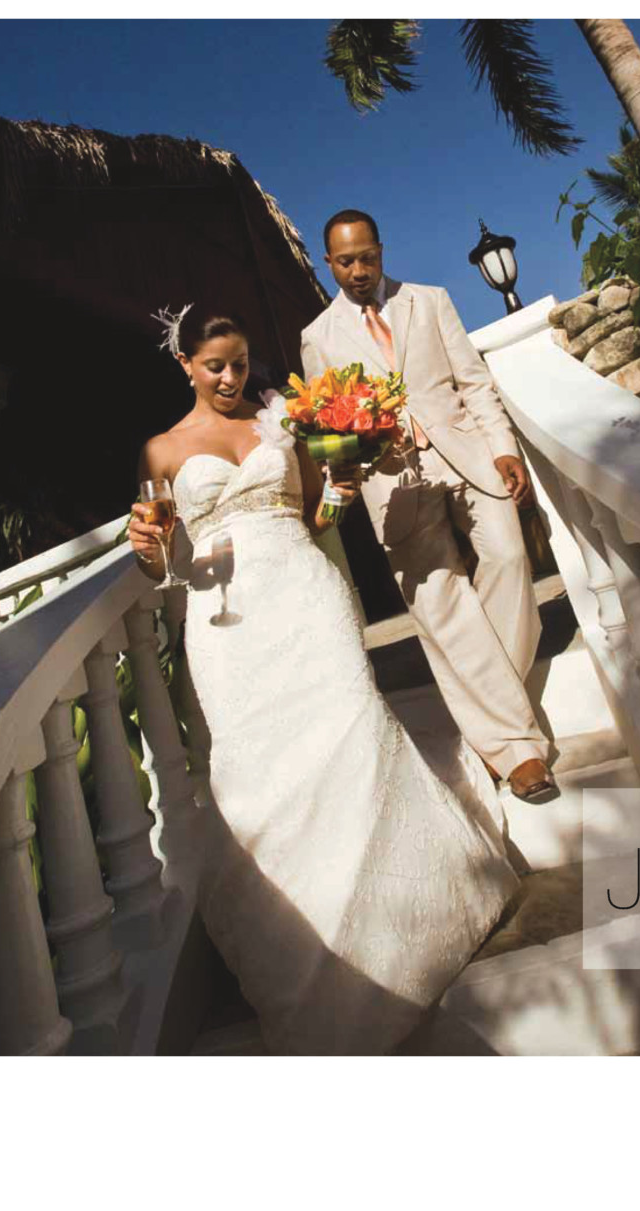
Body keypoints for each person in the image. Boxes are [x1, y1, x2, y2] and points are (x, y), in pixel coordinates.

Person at [128, 305, 519, 1055]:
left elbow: (317, 515)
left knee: (352, 731)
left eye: (240, 362)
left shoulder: (279, 422)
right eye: (215, 366)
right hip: (227, 625)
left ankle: (402, 915)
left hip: (307, 596)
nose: (231, 378)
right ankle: (315, 941)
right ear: (184, 365)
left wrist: (343, 481)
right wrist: (148, 548)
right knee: (261, 772)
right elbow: (159, 563)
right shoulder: (161, 449)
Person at [301, 209, 554, 802]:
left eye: (368, 257)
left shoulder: (430, 300)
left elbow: (473, 381)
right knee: (442, 607)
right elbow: (326, 430)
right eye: (346, 261)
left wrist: (503, 447)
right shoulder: (318, 337)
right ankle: (518, 753)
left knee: (510, 560)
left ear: (381, 250)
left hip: (468, 456)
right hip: (393, 485)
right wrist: (351, 457)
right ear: (328, 262)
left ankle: (491, 720)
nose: (359, 271)